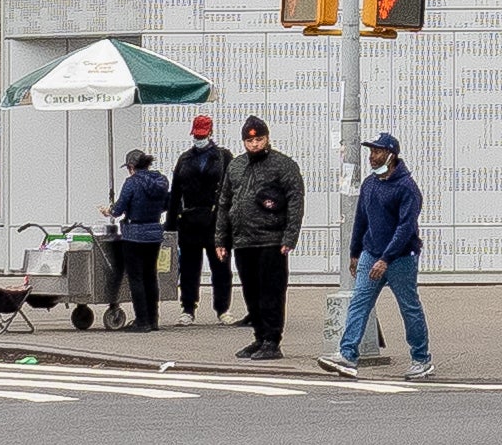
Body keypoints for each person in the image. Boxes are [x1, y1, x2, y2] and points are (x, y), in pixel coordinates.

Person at [324, 129, 430, 380]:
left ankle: (421, 359)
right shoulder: (370, 184)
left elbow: (405, 228)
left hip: (401, 258)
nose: (372, 156)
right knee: (360, 302)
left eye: (378, 151)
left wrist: (386, 258)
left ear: (391, 155)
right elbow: (361, 219)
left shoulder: (407, 188)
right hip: (371, 254)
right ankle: (347, 355)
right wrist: (354, 252)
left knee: (409, 307)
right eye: (371, 151)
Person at [224, 113, 306, 360]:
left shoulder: (283, 165)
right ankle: (259, 338)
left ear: (267, 138)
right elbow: (225, 201)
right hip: (243, 240)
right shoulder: (236, 165)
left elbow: (295, 200)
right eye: (250, 141)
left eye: (259, 139)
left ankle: (272, 340)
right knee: (251, 292)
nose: (254, 144)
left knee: (271, 292)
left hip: (272, 240)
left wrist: (289, 237)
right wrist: (221, 239)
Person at [170, 115, 235, 322]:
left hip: (216, 221)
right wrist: (171, 225)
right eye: (196, 135)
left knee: (221, 267)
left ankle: (223, 309)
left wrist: (230, 221)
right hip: (189, 220)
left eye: (202, 135)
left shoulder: (224, 157)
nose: (199, 138)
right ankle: (188, 309)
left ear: (210, 133)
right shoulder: (185, 159)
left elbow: (231, 190)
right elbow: (175, 193)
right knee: (189, 268)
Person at [108, 148, 171, 334]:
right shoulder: (161, 181)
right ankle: (153, 320)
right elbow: (167, 204)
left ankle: (142, 321)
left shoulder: (131, 183)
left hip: (134, 235)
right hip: (154, 233)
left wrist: (109, 210)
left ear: (132, 167)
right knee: (151, 276)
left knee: (136, 278)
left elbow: (119, 209)